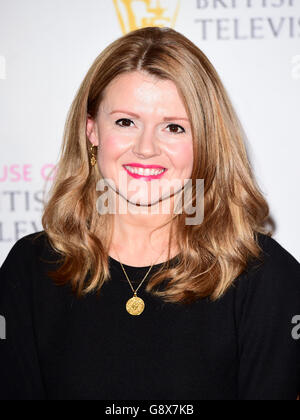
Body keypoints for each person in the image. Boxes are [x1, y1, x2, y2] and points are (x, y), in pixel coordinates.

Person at [0, 26, 299, 401]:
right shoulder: (30, 269)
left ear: (204, 141)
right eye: (126, 122)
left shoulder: (264, 275)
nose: (146, 148)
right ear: (91, 129)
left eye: (174, 128)